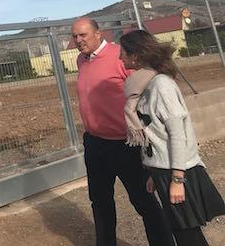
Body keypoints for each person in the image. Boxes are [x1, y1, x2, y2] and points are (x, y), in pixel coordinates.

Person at [72, 17, 174, 246]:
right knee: (100, 202)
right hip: (95, 143)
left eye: (83, 35)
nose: (78, 40)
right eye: (75, 36)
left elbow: (146, 91)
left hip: (126, 144)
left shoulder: (121, 56)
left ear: (98, 33)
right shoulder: (81, 60)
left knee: (143, 201)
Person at [120, 30, 225, 245]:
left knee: (188, 236)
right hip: (163, 170)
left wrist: (177, 179)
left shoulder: (161, 85)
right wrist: (154, 172)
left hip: (177, 172)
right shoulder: (144, 86)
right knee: (182, 232)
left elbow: (177, 134)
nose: (119, 57)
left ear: (135, 56)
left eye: (122, 52)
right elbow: (155, 133)